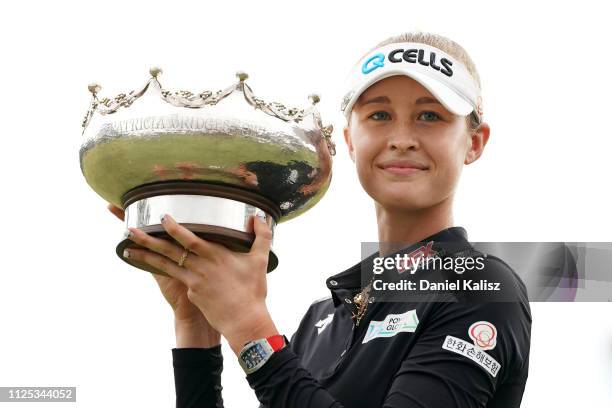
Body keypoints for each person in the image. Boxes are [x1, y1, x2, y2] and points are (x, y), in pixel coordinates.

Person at [108, 31, 531, 407]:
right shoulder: (321, 319)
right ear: (349, 140)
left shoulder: (483, 288)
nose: (402, 139)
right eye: (379, 115)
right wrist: (197, 322)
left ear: (474, 142)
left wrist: (249, 326)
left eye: (430, 115)